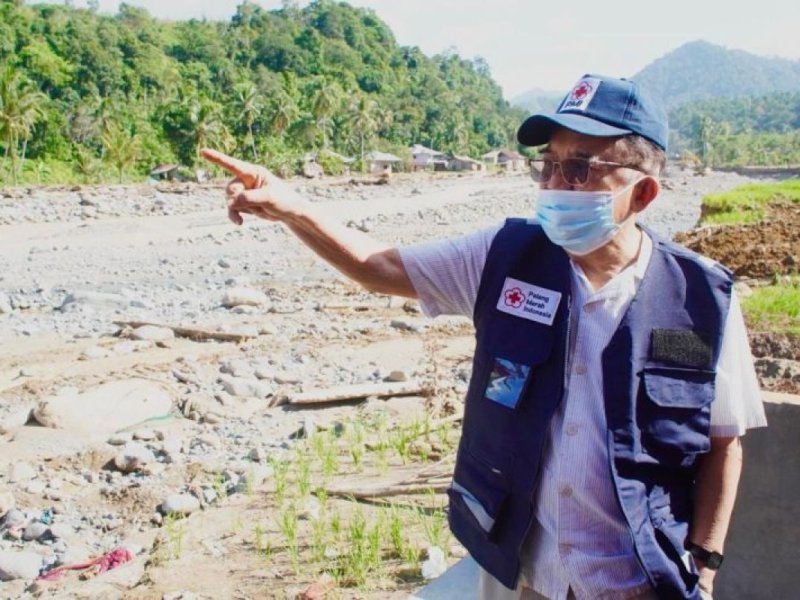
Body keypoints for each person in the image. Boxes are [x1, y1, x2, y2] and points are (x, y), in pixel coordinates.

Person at [201, 73, 766, 600]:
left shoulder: (700, 301)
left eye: (579, 168)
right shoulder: (504, 258)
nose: (554, 184)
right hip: (523, 573)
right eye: (548, 164)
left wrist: (705, 568)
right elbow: (380, 267)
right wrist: (294, 209)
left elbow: (723, 444)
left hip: (637, 579)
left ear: (643, 194)